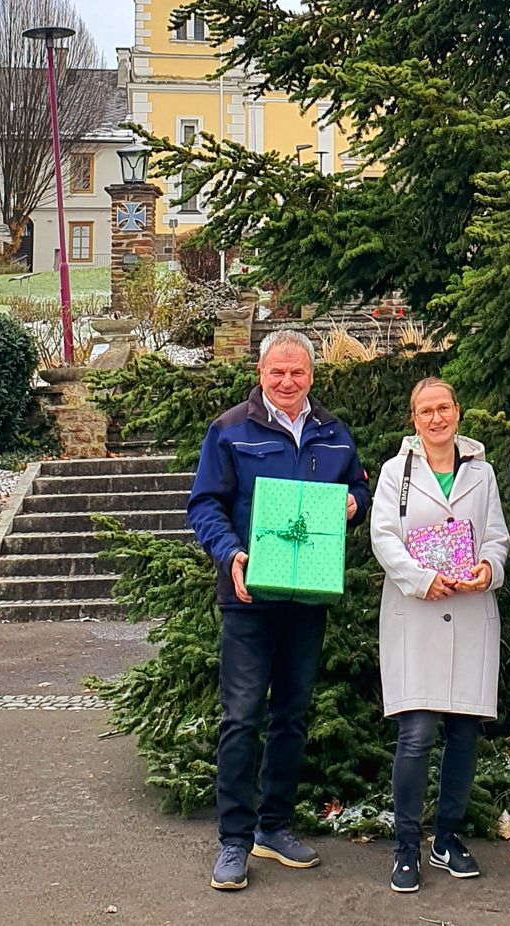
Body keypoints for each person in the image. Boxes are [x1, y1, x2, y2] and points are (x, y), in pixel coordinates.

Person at [187, 329, 370, 893]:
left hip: (308, 597)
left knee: (292, 714)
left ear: (312, 375)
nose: (287, 382)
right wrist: (230, 554)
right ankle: (234, 841)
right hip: (248, 596)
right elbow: (205, 504)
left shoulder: (334, 433)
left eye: (298, 373)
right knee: (242, 717)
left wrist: (354, 505)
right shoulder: (230, 430)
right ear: (261, 373)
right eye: (277, 373)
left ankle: (275, 826)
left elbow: (358, 487)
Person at [369, 377, 510, 894]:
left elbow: (497, 537)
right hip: (417, 615)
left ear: (457, 412)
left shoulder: (483, 473)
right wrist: (422, 580)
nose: (436, 418)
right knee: (416, 735)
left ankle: (446, 838)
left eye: (443, 408)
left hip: (470, 612)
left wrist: (487, 569)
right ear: (414, 419)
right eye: (425, 410)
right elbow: (383, 537)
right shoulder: (395, 473)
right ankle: (406, 844)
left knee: (465, 734)